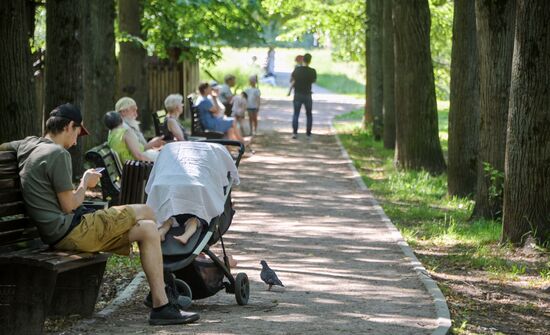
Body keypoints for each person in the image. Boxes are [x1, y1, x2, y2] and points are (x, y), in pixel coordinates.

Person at [0, 103, 199, 325]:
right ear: (68, 126)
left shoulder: (28, 144)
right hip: (72, 231)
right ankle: (164, 284)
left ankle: (161, 302)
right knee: (146, 210)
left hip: (61, 231)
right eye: (77, 132)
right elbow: (69, 205)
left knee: (148, 229)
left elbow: (4, 146)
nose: (76, 141)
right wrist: (86, 183)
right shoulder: (57, 154)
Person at [290, 53, 317, 139]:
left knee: (296, 114)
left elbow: (292, 80)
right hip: (307, 94)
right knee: (309, 114)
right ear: (310, 61)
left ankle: (295, 133)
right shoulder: (312, 71)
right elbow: (314, 81)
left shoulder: (297, 70)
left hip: (297, 94)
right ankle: (308, 134)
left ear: (303, 60)